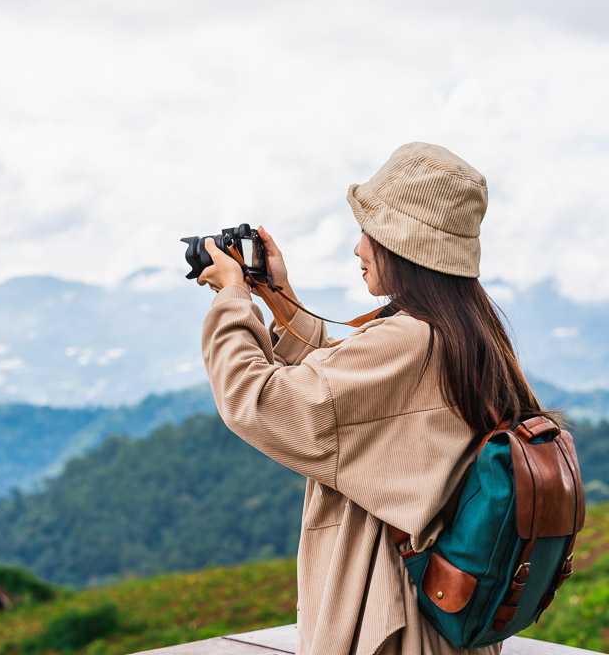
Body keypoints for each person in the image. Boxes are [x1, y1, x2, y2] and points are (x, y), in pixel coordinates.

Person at [198, 141, 562, 655]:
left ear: (402, 246)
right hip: (440, 623)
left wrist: (232, 298)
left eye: (369, 231)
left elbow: (252, 398)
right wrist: (280, 300)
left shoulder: (410, 340)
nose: (358, 247)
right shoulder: (471, 333)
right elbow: (362, 386)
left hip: (391, 624)